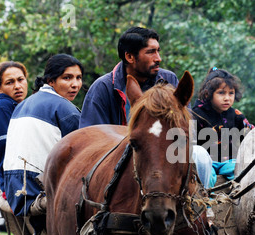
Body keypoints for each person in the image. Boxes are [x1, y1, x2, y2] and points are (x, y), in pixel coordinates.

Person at [79, 26, 213, 188]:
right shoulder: (103, 88)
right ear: (129, 56)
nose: (158, 58)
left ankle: (200, 207)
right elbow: (92, 141)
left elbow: (187, 127)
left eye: (158, 51)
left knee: (201, 156)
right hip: (120, 160)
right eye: (151, 52)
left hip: (167, 154)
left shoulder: (169, 80)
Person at [3, 54, 83, 235]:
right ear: (50, 81)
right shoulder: (66, 109)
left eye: (78, 78)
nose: (75, 84)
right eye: (67, 78)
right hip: (36, 187)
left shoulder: (23, 104)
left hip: (14, 186)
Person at [192, 67, 254, 187]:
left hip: (228, 162)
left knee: (243, 171)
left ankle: (240, 200)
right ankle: (207, 202)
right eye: (221, 93)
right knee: (206, 177)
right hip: (206, 163)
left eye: (231, 93)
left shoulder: (235, 115)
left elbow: (252, 133)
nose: (227, 98)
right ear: (208, 94)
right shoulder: (196, 115)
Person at [0, 61, 29, 194]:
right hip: (15, 185)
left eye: (21, 80)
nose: (17, 86)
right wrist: (7, 187)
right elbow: (3, 149)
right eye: (10, 82)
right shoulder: (3, 107)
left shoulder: (20, 106)